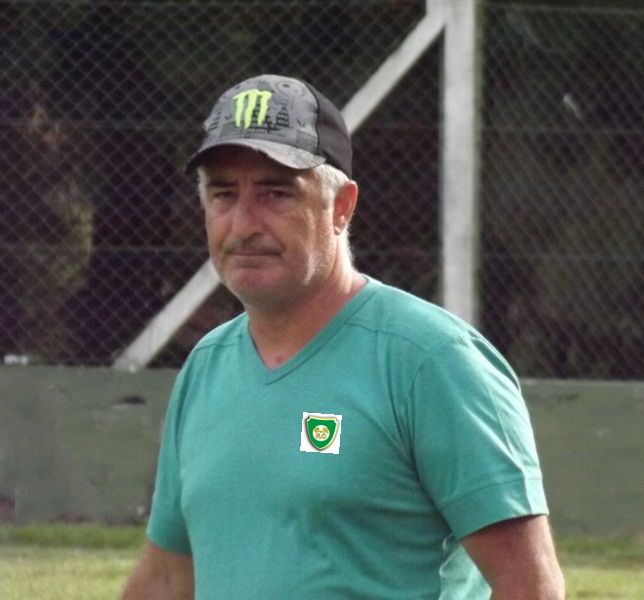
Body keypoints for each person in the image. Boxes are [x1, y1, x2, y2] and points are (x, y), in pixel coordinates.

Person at [122, 74, 565, 600]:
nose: (243, 223)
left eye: (276, 192)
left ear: (341, 207)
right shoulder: (206, 367)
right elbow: (167, 578)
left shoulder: (431, 360)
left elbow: (530, 584)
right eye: (223, 193)